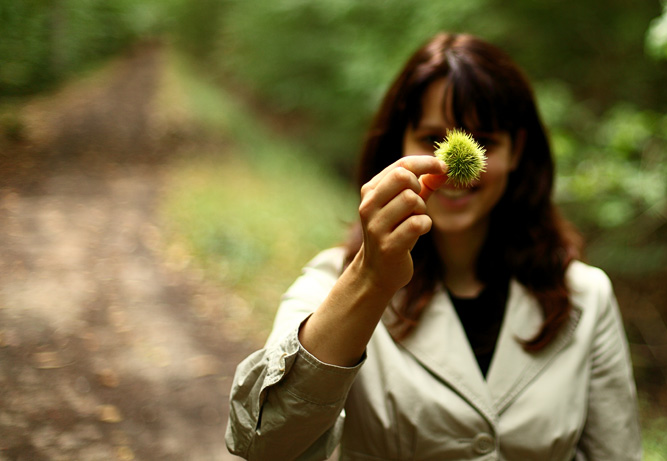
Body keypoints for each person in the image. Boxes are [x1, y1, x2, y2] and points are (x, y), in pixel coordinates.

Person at [225, 33, 642, 460]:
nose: (450, 170)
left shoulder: (585, 298)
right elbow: (263, 443)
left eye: (487, 140)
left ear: (516, 151)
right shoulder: (334, 282)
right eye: (429, 139)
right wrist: (370, 280)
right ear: (398, 148)